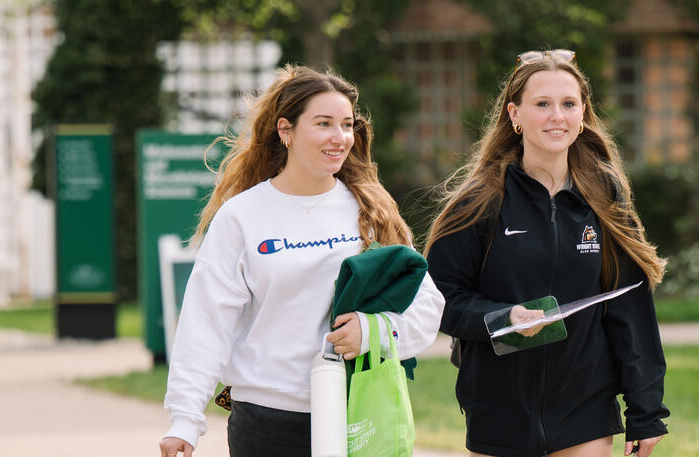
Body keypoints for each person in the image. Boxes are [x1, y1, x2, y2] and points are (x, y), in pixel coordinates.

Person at [158, 65, 445, 457]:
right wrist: (185, 419)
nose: (339, 137)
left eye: (346, 125)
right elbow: (206, 322)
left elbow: (427, 304)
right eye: (323, 123)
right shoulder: (242, 215)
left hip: (357, 412)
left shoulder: (372, 210)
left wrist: (374, 331)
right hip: (266, 422)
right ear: (285, 130)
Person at [423, 49, 670, 457]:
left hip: (586, 408)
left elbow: (630, 307)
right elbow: (440, 297)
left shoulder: (605, 196)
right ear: (514, 114)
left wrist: (646, 412)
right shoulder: (481, 200)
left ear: (583, 114)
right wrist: (503, 319)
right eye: (542, 104)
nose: (557, 115)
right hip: (497, 411)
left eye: (568, 104)